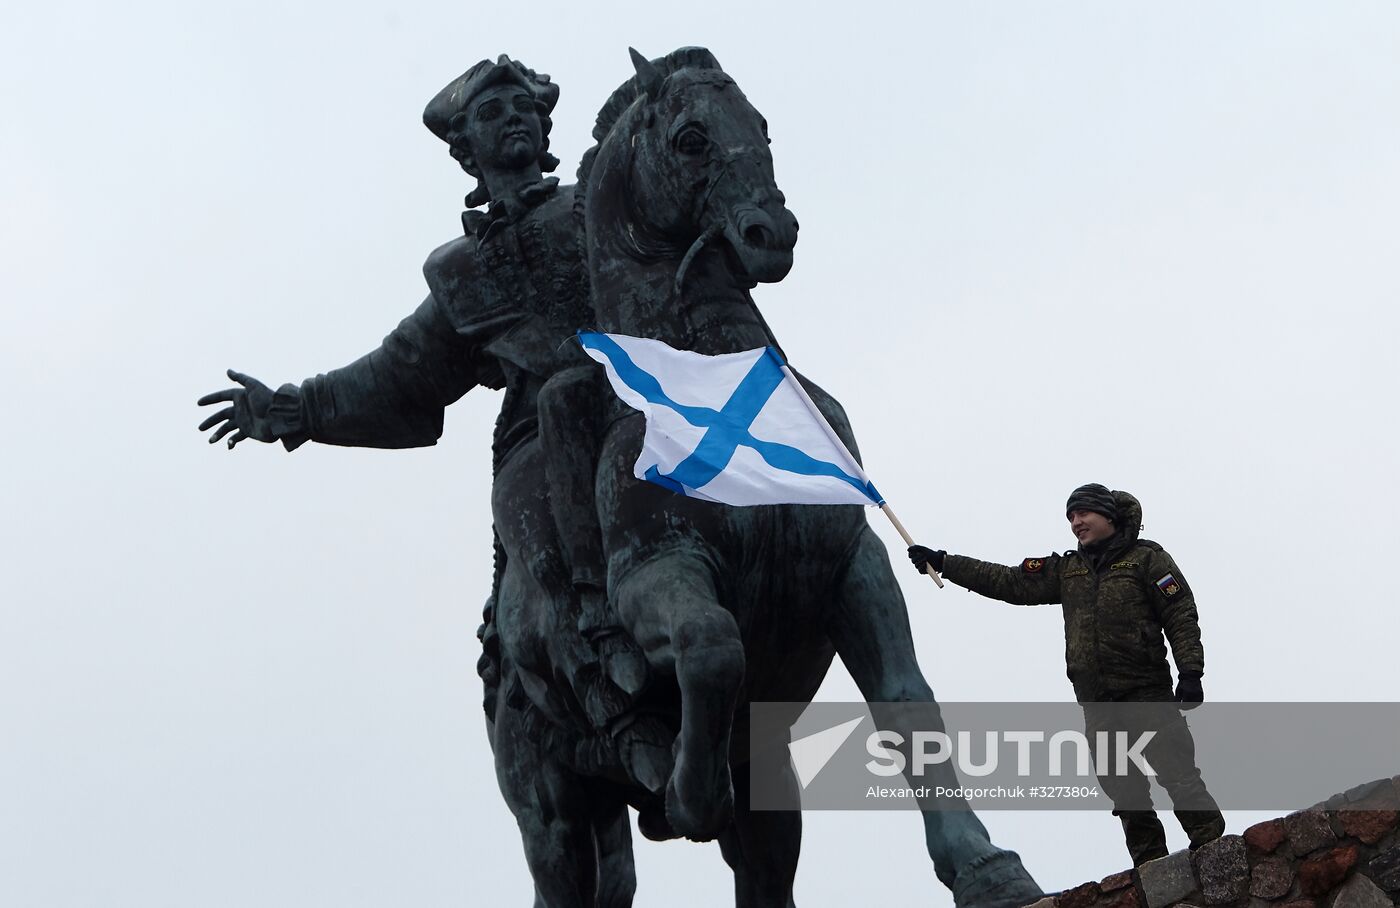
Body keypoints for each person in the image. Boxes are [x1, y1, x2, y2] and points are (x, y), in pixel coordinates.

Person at [195, 55, 642, 725]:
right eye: (492, 112)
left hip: (648, 397)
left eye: (523, 106)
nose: (513, 117)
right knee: (536, 535)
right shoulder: (461, 270)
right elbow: (399, 372)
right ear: (467, 149)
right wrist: (293, 408)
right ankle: (596, 663)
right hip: (541, 437)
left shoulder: (599, 203)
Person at [907, 483, 1225, 865]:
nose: (1076, 522)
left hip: (1146, 692)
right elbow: (1008, 581)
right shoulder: (1068, 570)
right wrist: (945, 562)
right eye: (1071, 517)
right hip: (1097, 703)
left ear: (1108, 515)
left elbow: (1180, 613)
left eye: (1083, 513)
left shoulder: (1146, 559)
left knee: (1178, 775)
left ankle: (1214, 850)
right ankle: (1152, 869)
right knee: (1124, 793)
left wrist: (1191, 672)